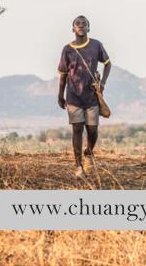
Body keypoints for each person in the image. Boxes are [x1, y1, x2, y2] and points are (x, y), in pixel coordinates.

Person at [57, 15, 112, 178]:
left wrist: (103, 83)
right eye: (77, 24)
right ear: (73, 29)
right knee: (77, 129)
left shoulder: (96, 45)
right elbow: (63, 75)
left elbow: (108, 63)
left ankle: (88, 152)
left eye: (84, 24)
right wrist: (60, 95)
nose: (81, 26)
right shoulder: (67, 49)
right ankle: (79, 166)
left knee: (93, 130)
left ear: (89, 28)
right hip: (73, 96)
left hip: (92, 96)